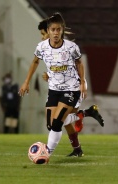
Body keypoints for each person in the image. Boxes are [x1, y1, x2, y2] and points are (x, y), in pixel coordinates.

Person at [19, 12, 96, 158]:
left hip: (71, 89)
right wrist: (26, 81)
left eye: (58, 30)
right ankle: (85, 114)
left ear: (62, 30)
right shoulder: (42, 47)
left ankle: (46, 153)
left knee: (56, 124)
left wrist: (83, 85)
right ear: (48, 31)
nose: (55, 33)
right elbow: (35, 61)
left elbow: (79, 63)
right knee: (51, 125)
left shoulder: (71, 47)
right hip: (54, 89)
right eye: (52, 30)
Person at [37, 18, 104, 157]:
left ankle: (56, 151)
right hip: (59, 88)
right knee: (60, 123)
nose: (43, 37)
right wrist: (50, 76)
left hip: (72, 87)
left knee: (60, 121)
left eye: (43, 33)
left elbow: (74, 66)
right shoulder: (47, 47)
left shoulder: (66, 47)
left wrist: (82, 84)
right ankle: (78, 146)